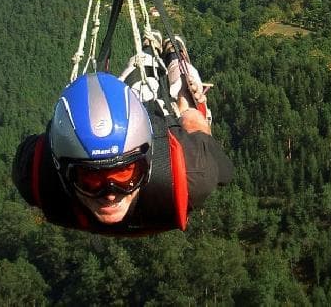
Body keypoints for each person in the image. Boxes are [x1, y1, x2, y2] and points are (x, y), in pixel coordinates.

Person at [12, 35, 233, 235]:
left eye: (124, 174)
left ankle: (172, 55)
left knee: (188, 108)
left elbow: (205, 142)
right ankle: (151, 53)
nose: (110, 194)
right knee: (160, 98)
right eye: (92, 179)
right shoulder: (195, 176)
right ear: (63, 171)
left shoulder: (194, 171)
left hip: (164, 143)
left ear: (145, 165)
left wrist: (192, 113)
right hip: (146, 147)